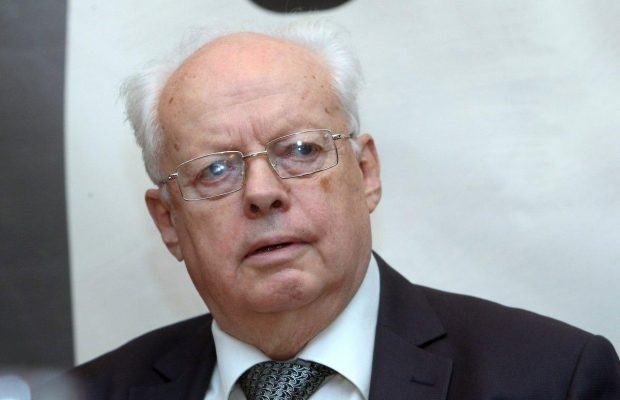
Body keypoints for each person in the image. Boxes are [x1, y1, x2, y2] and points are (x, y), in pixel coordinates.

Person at [36, 20, 619, 400]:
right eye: (215, 169)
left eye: (300, 150)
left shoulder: (553, 377)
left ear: (366, 173)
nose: (262, 192)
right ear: (169, 222)